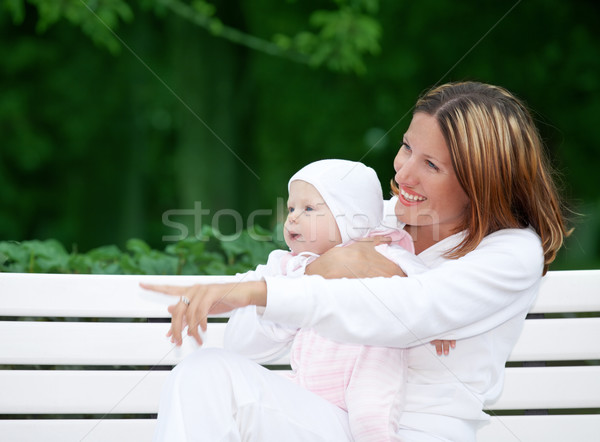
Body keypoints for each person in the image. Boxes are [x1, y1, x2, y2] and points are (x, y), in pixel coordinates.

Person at [141, 81, 570, 442]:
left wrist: (263, 290)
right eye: (406, 147)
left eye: (431, 164)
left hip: (417, 433)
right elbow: (244, 345)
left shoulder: (512, 251)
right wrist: (314, 270)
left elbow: (406, 310)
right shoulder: (369, 220)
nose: (403, 173)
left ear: (480, 181)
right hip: (331, 420)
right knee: (205, 373)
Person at [224, 158, 439, 442]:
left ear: (349, 217)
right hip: (310, 383)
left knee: (371, 421)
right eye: (291, 208)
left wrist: (439, 324)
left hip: (368, 369)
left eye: (309, 208)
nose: (293, 218)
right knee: (247, 403)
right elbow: (239, 332)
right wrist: (301, 284)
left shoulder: (383, 253)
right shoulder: (291, 266)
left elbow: (429, 291)